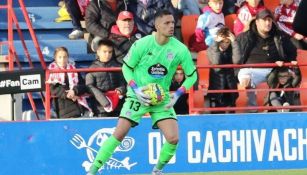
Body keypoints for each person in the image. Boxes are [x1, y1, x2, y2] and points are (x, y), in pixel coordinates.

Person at [86, 10, 197, 175]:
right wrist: (136, 89)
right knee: (120, 133)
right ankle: (92, 170)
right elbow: (126, 67)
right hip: (138, 95)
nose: (171, 26)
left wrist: (178, 93)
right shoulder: (142, 44)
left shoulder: (180, 49)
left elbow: (192, 75)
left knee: (173, 138)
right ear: (157, 25)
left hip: (161, 97)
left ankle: (157, 171)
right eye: (167, 23)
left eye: (173, 22)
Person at [237, 9, 297, 111]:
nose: (268, 23)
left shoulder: (280, 35)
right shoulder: (245, 36)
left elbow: (292, 51)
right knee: (244, 76)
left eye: (269, 20)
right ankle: (253, 109)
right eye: (264, 20)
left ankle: (286, 107)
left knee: (288, 74)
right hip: (252, 70)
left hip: (274, 69)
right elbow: (236, 56)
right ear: (257, 22)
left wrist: (287, 63)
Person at [46, 47, 92, 118]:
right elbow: (53, 88)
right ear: (55, 58)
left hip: (78, 105)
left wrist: (75, 91)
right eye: (60, 57)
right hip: (62, 107)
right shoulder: (50, 71)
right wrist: (68, 94)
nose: (62, 60)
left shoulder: (73, 69)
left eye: (65, 57)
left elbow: (83, 85)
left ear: (68, 57)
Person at [86, 39, 126, 117]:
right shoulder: (92, 68)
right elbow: (89, 86)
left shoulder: (118, 66)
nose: (107, 54)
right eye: (104, 51)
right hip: (101, 108)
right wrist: (104, 102)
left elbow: (125, 82)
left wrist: (121, 89)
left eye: (110, 52)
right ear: (98, 52)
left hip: (118, 106)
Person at [207, 26, 240, 113]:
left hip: (230, 85)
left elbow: (237, 61)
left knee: (231, 115)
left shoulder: (233, 48)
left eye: (227, 42)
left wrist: (234, 42)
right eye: (222, 41)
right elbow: (216, 62)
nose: (225, 44)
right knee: (217, 115)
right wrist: (215, 43)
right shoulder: (211, 49)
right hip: (216, 86)